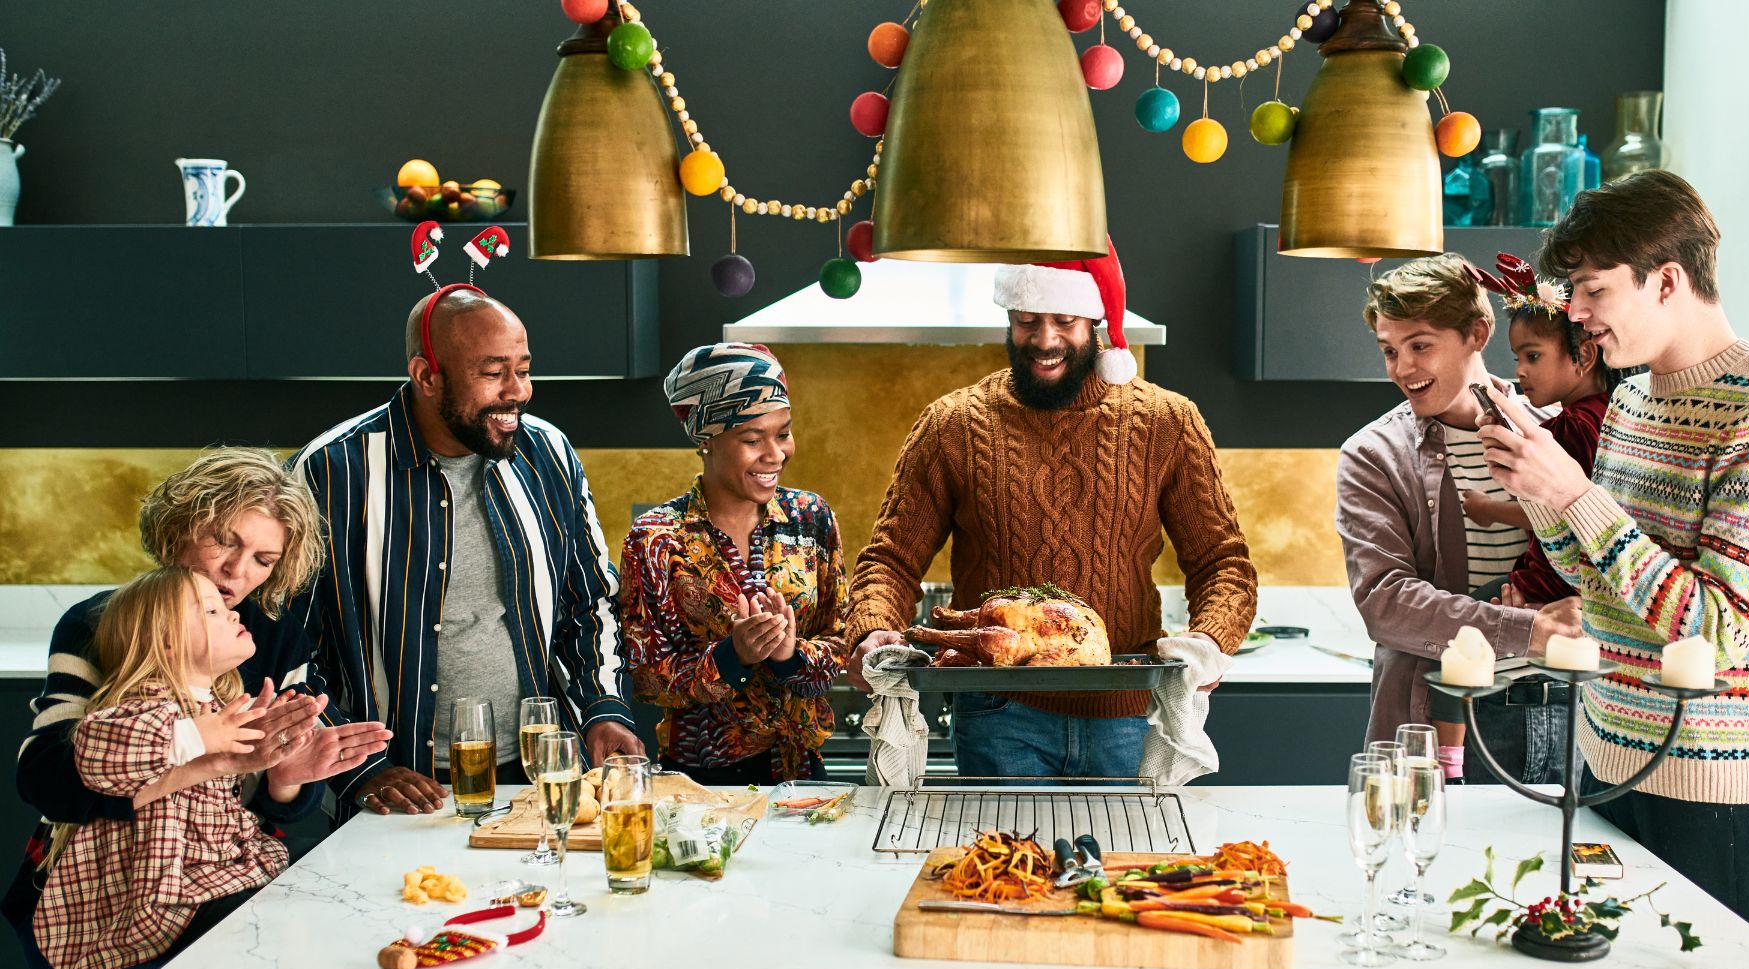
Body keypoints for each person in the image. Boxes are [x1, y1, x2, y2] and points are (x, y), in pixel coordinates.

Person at [1477, 170, 1749, 943]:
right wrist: (1537, 482)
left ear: (1667, 280)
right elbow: (1592, 578)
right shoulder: (1635, 400)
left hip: (1705, 795)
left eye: (1592, 290)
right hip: (1603, 760)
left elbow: (1712, 629)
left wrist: (1572, 496)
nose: (1575, 313)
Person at [845, 239, 1257, 778]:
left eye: (1064, 319)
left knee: (1124, 862)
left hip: (1126, 713)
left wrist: (1209, 637)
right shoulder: (953, 424)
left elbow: (1223, 562)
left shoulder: (1167, 423)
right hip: (998, 712)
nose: (1044, 339)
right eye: (1026, 320)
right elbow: (891, 560)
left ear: (1096, 324)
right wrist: (874, 626)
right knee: (999, 862)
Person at [291, 284, 643, 816]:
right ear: (427, 376)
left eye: (524, 369)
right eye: (493, 372)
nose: (518, 391)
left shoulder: (549, 452)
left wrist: (603, 709)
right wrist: (360, 768)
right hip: (399, 787)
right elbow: (284, 644)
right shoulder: (330, 472)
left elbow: (588, 600)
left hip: (538, 771)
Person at [25, 568, 330, 969]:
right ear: (162, 639)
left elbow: (229, 820)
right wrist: (200, 737)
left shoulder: (216, 706)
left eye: (264, 557)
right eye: (210, 611)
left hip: (201, 897)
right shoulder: (139, 705)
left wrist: (281, 773)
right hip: (133, 911)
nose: (233, 607)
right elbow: (96, 752)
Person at [1335, 254, 1583, 784]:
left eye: (1420, 345)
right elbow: (1386, 603)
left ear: (1478, 331)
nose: (1403, 369)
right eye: (1389, 351)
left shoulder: (1560, 432)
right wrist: (1530, 630)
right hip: (1448, 717)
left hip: (1574, 709)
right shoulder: (1374, 454)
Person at [619, 343, 849, 784]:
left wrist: (791, 656)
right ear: (707, 441)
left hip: (804, 777)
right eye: (752, 439)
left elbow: (840, 641)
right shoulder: (656, 539)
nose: (776, 454)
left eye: (782, 433)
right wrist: (732, 657)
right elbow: (647, 676)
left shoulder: (812, 518)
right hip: (700, 786)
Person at [1459, 253, 1618, 607]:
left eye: (1533, 356)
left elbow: (1560, 511)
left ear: (1585, 356)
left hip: (1550, 586)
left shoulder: (1568, 429)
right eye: (1517, 358)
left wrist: (1489, 509)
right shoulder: (1614, 411)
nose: (1520, 371)